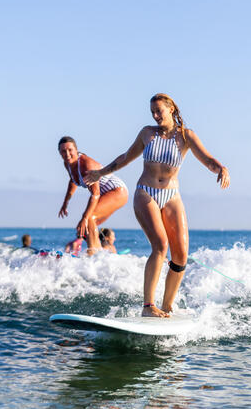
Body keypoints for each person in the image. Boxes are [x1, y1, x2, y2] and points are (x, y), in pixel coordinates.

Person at [85, 93, 229, 317]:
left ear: (170, 109)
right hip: (146, 192)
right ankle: (148, 307)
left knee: (180, 255)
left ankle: (167, 306)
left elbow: (208, 160)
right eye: (152, 111)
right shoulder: (147, 134)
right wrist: (100, 174)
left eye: (158, 111)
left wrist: (221, 168)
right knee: (161, 246)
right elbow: (125, 158)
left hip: (172, 195)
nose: (154, 115)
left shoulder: (186, 136)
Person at [57, 136, 128, 253]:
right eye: (63, 151)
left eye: (70, 150)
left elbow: (95, 194)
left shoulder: (86, 165)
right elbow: (73, 181)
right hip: (105, 194)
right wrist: (65, 203)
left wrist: (84, 217)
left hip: (117, 191)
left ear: (76, 150)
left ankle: (94, 254)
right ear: (60, 153)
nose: (67, 154)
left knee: (89, 218)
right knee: (86, 229)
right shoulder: (68, 164)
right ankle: (103, 252)